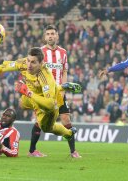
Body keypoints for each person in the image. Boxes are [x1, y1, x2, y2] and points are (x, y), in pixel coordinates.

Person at [0, 47, 82, 157]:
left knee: (47, 128)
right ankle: (61, 87)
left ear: (41, 63)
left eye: (33, 62)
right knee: (21, 103)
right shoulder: (24, 63)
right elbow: (1, 67)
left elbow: (50, 104)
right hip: (31, 97)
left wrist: (28, 92)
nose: (29, 65)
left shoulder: (45, 77)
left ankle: (68, 133)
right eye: (28, 60)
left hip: (47, 104)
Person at [27, 25, 80, 158]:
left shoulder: (63, 52)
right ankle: (32, 151)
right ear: (45, 37)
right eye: (48, 34)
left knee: (66, 118)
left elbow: (65, 71)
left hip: (59, 92)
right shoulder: (40, 53)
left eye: (52, 34)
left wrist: (64, 88)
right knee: (40, 121)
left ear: (57, 36)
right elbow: (32, 69)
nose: (50, 36)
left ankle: (73, 151)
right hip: (44, 93)